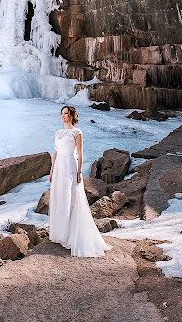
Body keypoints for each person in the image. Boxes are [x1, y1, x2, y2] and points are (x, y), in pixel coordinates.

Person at [48, 105, 113, 257]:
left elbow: (80, 154)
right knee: (59, 198)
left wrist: (79, 172)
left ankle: (70, 234)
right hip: (58, 168)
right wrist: (51, 170)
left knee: (71, 197)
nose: (63, 116)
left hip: (70, 166)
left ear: (72, 116)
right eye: (62, 114)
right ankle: (60, 233)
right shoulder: (58, 133)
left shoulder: (77, 133)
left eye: (66, 114)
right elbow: (55, 153)